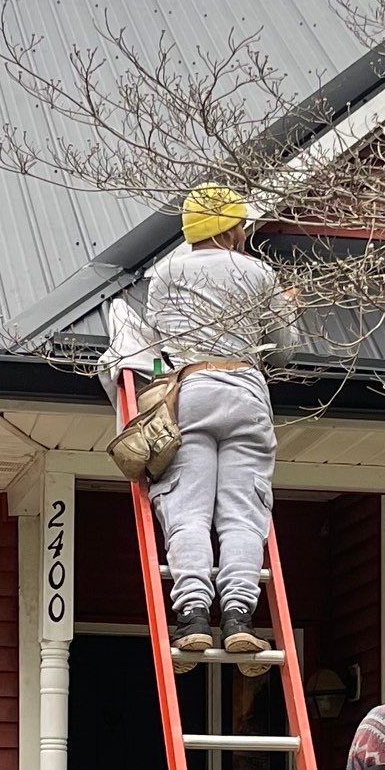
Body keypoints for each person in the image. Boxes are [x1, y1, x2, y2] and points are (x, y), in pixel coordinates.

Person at [141, 183, 296, 659]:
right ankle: (237, 617)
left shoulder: (163, 273)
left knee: (187, 510)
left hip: (190, 392)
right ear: (230, 228)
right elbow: (284, 347)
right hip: (246, 390)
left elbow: (157, 344)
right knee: (242, 514)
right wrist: (288, 310)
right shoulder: (258, 273)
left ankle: (192, 617)